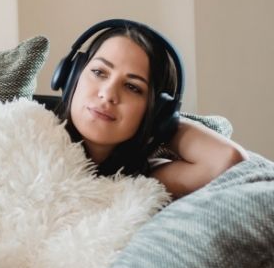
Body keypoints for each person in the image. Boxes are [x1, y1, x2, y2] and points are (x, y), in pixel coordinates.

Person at [53, 19, 247, 199]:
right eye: (99, 72)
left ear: (155, 110)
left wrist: (163, 123)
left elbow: (227, 160)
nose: (108, 94)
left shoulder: (142, 181)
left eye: (132, 87)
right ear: (71, 77)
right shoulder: (31, 131)